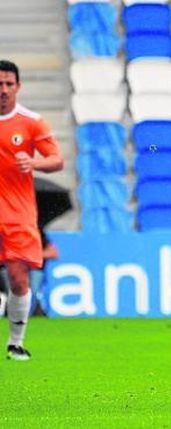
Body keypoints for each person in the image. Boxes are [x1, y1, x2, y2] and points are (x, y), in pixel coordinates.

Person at [0, 59, 64, 361]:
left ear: (18, 86)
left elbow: (57, 160)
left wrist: (34, 163)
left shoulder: (31, 122)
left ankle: (15, 342)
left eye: (8, 84)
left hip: (17, 212)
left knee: (18, 279)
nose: (3, 90)